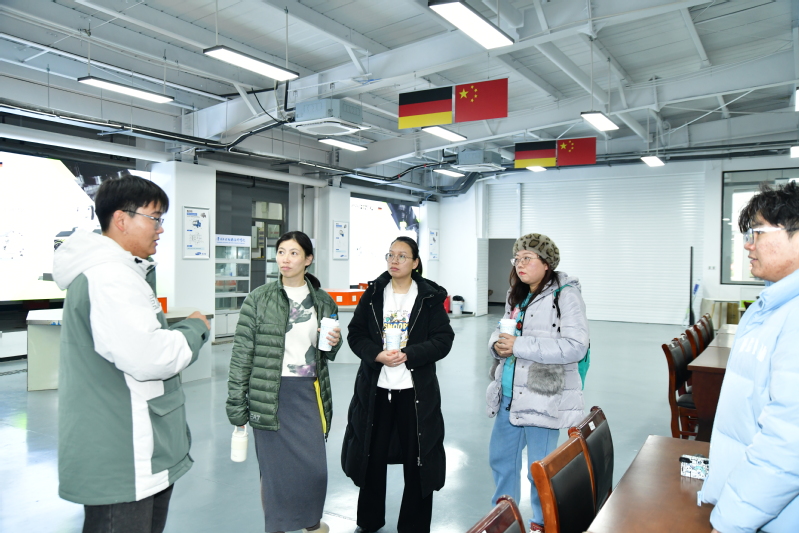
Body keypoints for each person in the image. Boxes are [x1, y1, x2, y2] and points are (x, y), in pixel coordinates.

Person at [53, 176, 211, 533]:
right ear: (121, 220)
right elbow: (150, 357)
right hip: (124, 450)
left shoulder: (121, 271)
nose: (160, 229)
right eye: (154, 218)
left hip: (132, 441)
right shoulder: (110, 277)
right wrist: (195, 328)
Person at [226, 231, 341, 533]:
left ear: (308, 259)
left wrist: (334, 342)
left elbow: (327, 353)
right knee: (275, 475)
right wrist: (237, 405)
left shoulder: (323, 302)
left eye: (293, 253)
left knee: (314, 470)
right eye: (281, 252)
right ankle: (276, 527)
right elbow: (241, 355)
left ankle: (311, 523)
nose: (285, 259)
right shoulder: (258, 299)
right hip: (269, 394)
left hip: (308, 392)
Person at [701, 182, 799, 533]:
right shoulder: (769, 306)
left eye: (758, 232)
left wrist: (731, 521)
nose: (748, 244)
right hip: (755, 506)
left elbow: (787, 444)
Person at [342, 236, 454, 533]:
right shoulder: (374, 294)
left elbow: (443, 340)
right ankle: (368, 521)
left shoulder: (428, 297)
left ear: (415, 262)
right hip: (376, 389)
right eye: (390, 254)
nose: (394, 260)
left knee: (418, 460)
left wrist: (410, 354)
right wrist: (376, 354)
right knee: (371, 456)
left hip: (415, 392)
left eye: (402, 256)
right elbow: (356, 334)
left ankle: (414, 526)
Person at [486, 233, 589, 533]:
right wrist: (497, 345)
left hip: (542, 396)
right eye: (517, 258)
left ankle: (543, 524)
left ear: (547, 263)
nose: (520, 264)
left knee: (539, 470)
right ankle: (504, 519)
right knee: (501, 460)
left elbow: (576, 346)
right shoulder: (515, 294)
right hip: (509, 393)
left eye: (527, 258)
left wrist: (519, 346)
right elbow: (501, 331)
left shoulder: (565, 295)